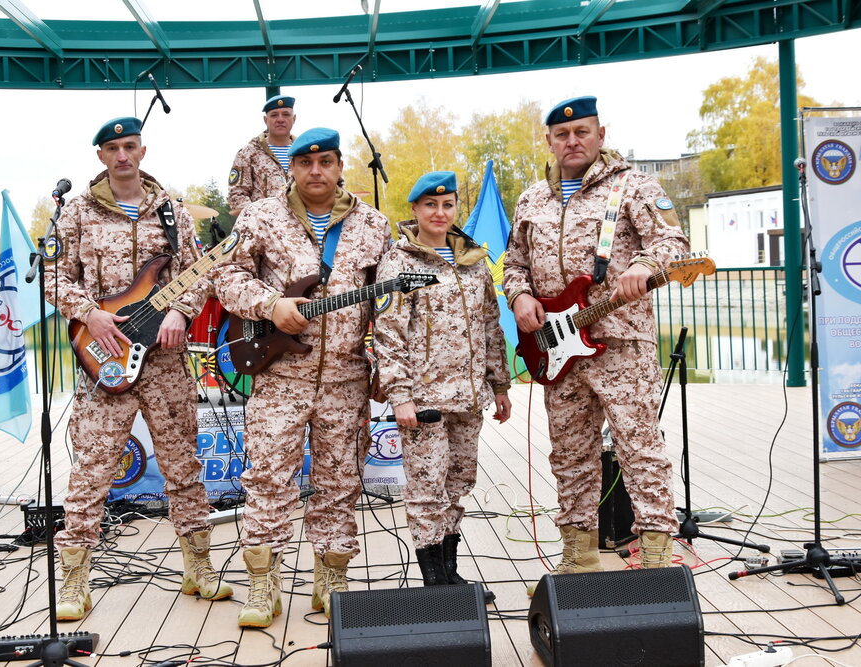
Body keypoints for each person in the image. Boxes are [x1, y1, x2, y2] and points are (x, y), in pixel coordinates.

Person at [43, 116, 232, 621]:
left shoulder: (171, 207)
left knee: (182, 465)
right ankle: (75, 582)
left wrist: (179, 310)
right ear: (101, 156)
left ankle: (199, 566)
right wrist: (91, 314)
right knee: (91, 470)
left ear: (142, 151)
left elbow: (199, 271)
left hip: (165, 361)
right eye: (112, 148)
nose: (122, 155)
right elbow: (54, 277)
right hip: (103, 357)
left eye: (129, 146)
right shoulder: (77, 212)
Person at [503, 96, 688, 592]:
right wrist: (519, 296)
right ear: (549, 141)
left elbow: (674, 244)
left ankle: (655, 563)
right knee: (569, 454)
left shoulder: (633, 187)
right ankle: (579, 560)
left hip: (622, 344)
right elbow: (513, 262)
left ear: (600, 135)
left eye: (582, 132)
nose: (572, 141)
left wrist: (646, 267)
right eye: (562, 135)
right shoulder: (530, 200)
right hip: (558, 350)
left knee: (640, 448)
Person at [212, 127, 392, 628]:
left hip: (347, 377)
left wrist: (386, 366)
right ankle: (263, 585)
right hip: (279, 376)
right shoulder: (260, 216)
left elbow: (389, 306)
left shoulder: (373, 225)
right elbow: (225, 275)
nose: (317, 171)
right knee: (268, 478)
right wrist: (271, 304)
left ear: (340, 166)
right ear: (291, 168)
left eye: (327, 161)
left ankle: (330, 579)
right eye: (306, 162)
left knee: (339, 482)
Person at [374, 171, 512, 596]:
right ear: (414, 210)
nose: (440, 212)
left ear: (456, 210)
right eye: (430, 205)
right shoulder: (400, 262)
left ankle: (451, 575)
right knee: (426, 487)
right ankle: (434, 583)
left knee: (457, 484)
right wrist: (400, 397)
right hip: (425, 400)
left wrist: (500, 385)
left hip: (469, 399)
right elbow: (388, 330)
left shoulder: (472, 260)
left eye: (448, 205)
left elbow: (491, 326)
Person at [226, 94, 296, 216]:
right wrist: (261, 218)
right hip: (263, 229)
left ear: (294, 119)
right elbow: (236, 195)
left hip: (301, 227)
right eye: (274, 115)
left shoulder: (305, 153)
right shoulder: (248, 153)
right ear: (265, 120)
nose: (280, 119)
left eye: (286, 114)